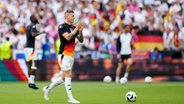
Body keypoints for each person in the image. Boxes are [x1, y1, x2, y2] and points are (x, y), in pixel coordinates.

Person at [43, 10, 84, 103]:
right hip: (63, 54)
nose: (74, 17)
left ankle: (47, 89)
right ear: (67, 17)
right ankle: (70, 98)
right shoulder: (62, 27)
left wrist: (81, 32)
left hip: (71, 55)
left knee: (64, 78)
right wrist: (76, 30)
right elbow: (68, 37)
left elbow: (81, 40)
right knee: (69, 75)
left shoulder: (74, 27)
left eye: (74, 16)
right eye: (72, 16)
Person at [24, 14, 46, 89]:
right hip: (30, 48)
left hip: (27, 47)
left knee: (29, 65)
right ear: (32, 19)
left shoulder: (28, 26)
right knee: (34, 63)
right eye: (35, 17)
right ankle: (32, 82)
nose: (37, 18)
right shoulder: (33, 25)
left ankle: (30, 82)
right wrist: (42, 32)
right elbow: (33, 34)